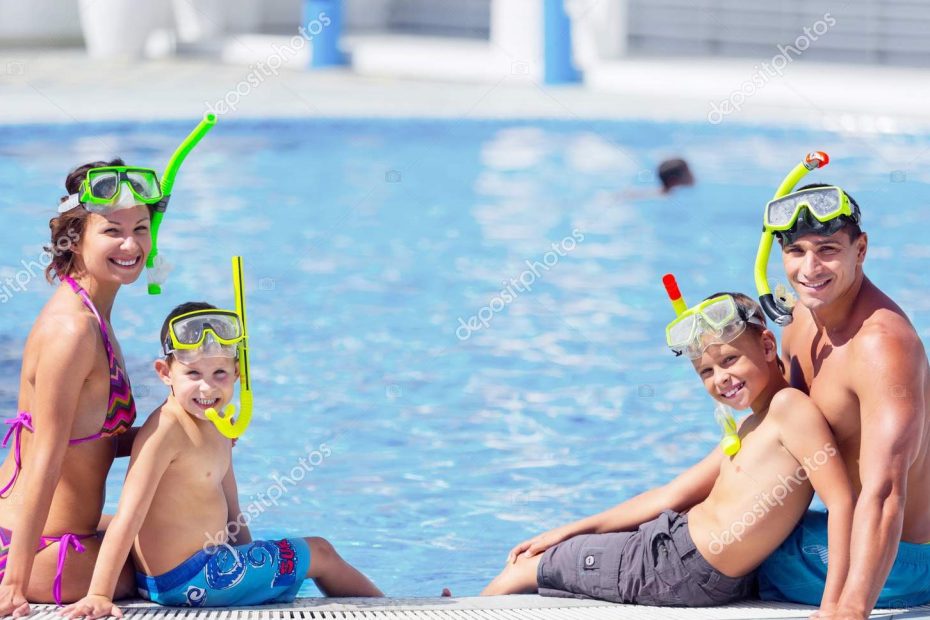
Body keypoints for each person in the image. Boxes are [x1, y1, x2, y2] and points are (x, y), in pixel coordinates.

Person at [481, 292, 853, 612]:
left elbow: (840, 502)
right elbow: (671, 495)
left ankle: (469, 608)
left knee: (530, 567)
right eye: (705, 371)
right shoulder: (752, 425)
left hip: (678, 566)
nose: (720, 378)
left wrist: (838, 604)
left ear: (769, 346)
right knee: (559, 563)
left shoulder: (789, 407)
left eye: (729, 360)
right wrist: (567, 531)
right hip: (682, 559)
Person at [63, 301, 382, 618]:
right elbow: (128, 516)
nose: (207, 387)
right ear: (165, 373)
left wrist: (250, 559)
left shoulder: (219, 425)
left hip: (198, 572)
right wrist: (99, 594)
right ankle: (385, 609)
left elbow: (233, 509)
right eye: (192, 373)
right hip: (190, 579)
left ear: (237, 373)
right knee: (320, 552)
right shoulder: (164, 432)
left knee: (290, 555)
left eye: (219, 373)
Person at [753, 178, 930, 617]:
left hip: (904, 562)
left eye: (828, 249)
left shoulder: (882, 346)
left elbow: (886, 492)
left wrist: (851, 610)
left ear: (861, 250)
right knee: (707, 529)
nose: (809, 269)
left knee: (731, 555)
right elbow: (771, 439)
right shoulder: (797, 321)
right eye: (795, 252)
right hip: (849, 534)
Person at [0, 160, 153, 616]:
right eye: (112, 231)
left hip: (57, 534)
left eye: (141, 228)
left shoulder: (93, 316)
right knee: (174, 562)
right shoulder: (71, 331)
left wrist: (187, 431)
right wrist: (14, 583)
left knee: (177, 526)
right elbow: (45, 460)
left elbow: (92, 442)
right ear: (75, 238)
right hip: (41, 548)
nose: (131, 244)